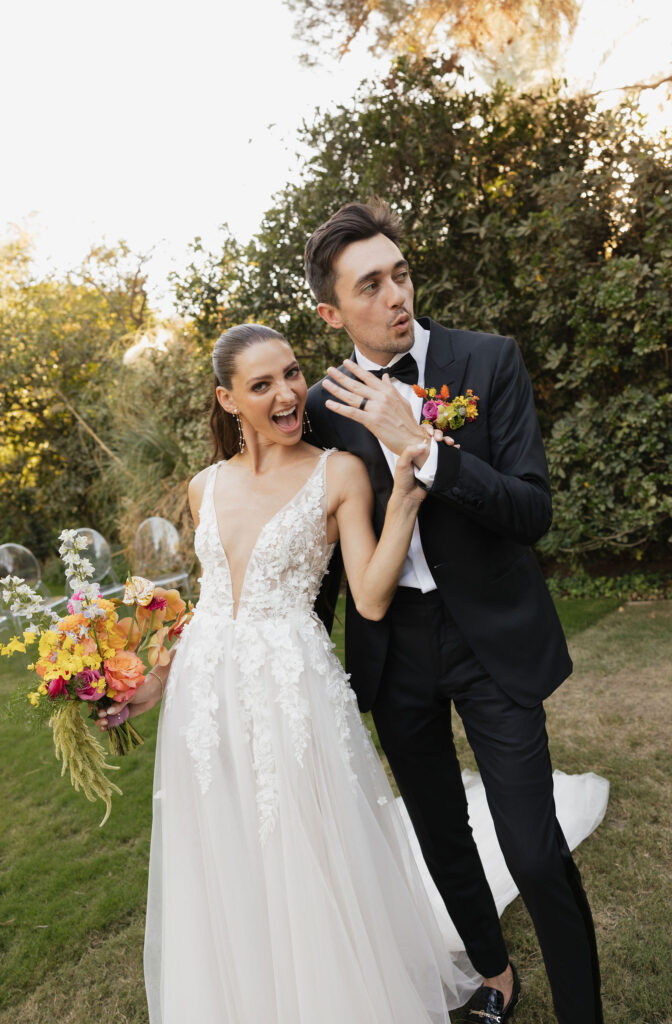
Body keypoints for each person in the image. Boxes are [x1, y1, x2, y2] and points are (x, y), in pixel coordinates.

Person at [98, 322, 483, 1024]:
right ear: (227, 400)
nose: (287, 394)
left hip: (290, 687)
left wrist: (404, 495)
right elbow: (213, 600)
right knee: (221, 846)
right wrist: (152, 684)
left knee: (302, 843)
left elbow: (367, 595)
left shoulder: (337, 471)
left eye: (292, 374)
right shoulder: (202, 486)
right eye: (262, 385)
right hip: (204, 696)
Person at [304, 199, 605, 1024]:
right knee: (440, 833)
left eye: (400, 273)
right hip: (391, 645)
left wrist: (427, 449)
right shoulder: (323, 410)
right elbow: (319, 548)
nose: (397, 295)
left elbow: (530, 511)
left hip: (491, 639)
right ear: (333, 312)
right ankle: (494, 978)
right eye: (371, 285)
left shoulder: (486, 361)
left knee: (534, 849)